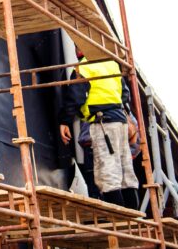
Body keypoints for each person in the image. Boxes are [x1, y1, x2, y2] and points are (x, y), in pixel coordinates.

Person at [59, 52, 139, 209]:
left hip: (103, 123)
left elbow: (75, 97)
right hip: (119, 122)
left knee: (107, 176)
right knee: (125, 174)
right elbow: (125, 95)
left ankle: (120, 220)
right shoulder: (111, 64)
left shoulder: (83, 66)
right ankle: (135, 218)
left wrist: (64, 121)